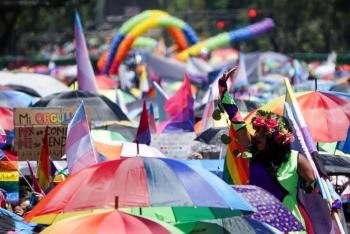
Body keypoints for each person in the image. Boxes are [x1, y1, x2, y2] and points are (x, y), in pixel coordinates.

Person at [218, 66, 316, 233]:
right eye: (257, 132)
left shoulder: (296, 159)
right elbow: (237, 121)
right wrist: (223, 90)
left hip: (289, 225)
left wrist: (329, 196)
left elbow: (315, 190)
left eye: (262, 134)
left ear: (275, 139)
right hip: (260, 224)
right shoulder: (254, 154)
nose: (256, 136)